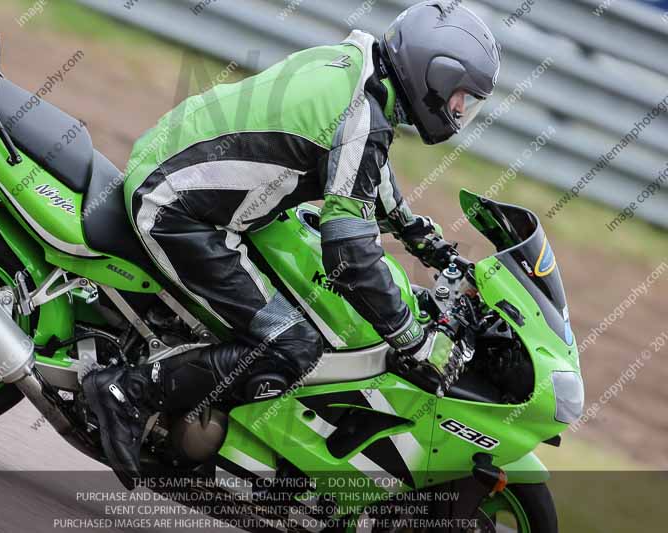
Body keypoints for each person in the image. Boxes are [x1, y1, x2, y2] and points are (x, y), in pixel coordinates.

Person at [82, 1, 500, 487]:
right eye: (461, 97)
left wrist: (421, 237)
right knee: (292, 343)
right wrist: (412, 338)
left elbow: (365, 173)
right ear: (435, 76)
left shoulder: (356, 67)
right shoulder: (362, 113)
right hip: (178, 208)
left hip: (182, 169)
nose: (460, 110)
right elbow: (348, 252)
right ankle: (127, 394)